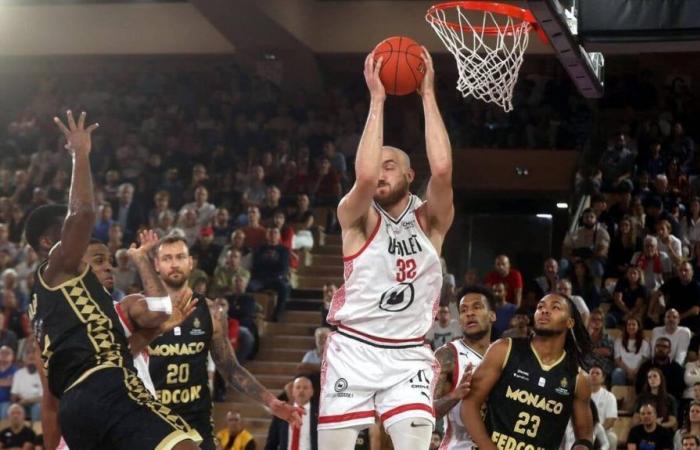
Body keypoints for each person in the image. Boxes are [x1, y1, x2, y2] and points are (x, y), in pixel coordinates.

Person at [25, 111, 201, 450]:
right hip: (108, 388)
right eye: (61, 234)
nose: (106, 267)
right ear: (49, 243)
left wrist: (151, 331)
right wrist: (81, 154)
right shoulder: (60, 267)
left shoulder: (44, 307)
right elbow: (83, 214)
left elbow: (105, 355)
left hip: (76, 411)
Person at [319, 48, 453, 450]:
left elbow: (443, 170)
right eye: (378, 163)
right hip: (354, 347)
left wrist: (427, 94)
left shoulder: (430, 220)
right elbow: (362, 175)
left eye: (390, 164)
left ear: (411, 175)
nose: (380, 169)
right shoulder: (356, 216)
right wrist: (376, 99)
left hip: (408, 354)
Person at [150, 235, 301, 449]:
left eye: (180, 257)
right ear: (156, 264)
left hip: (195, 420)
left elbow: (230, 368)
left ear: (190, 262)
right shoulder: (141, 309)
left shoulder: (211, 312)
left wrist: (271, 402)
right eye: (167, 258)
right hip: (151, 418)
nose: (174, 264)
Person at [461, 293, 594, 450]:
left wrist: (582, 447)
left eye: (555, 307)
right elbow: (469, 405)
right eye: (540, 307)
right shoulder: (504, 349)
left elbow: (585, 434)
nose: (544, 310)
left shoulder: (578, 378)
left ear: (570, 322)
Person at [433, 285, 495, 449]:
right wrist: (455, 395)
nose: (469, 313)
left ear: (492, 315)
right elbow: (428, 411)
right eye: (463, 310)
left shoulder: (504, 355)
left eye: (477, 307)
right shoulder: (448, 355)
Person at [265, 376, 318, 450]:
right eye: (298, 387)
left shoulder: (319, 414)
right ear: (292, 391)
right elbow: (271, 443)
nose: (301, 390)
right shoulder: (282, 413)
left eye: (305, 387)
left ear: (312, 392)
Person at [612, 317, 650, 386]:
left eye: (633, 324)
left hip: (638, 370)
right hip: (623, 370)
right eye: (629, 325)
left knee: (644, 374)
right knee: (617, 373)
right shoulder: (618, 341)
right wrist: (628, 371)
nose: (631, 327)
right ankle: (619, 395)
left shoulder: (644, 343)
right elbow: (617, 360)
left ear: (638, 327)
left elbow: (644, 360)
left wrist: (636, 371)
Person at [589, 364, 619, 449]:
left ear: (603, 378)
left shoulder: (609, 397)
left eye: (597, 373)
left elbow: (610, 421)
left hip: (603, 431)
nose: (594, 375)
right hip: (583, 432)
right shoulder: (582, 396)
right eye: (592, 373)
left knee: (612, 438)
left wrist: (596, 433)